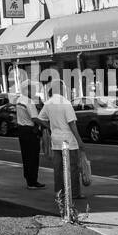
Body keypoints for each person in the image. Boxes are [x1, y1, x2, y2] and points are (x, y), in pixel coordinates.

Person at [36, 84, 82, 214]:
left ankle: (59, 193)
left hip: (56, 140)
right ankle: (74, 193)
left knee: (58, 168)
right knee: (72, 167)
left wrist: (50, 127)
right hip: (69, 140)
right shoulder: (66, 103)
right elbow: (72, 123)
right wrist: (79, 140)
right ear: (60, 90)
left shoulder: (48, 103)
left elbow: (39, 119)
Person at [13, 80, 44, 190]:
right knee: (33, 157)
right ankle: (33, 181)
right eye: (32, 88)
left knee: (26, 156)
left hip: (22, 130)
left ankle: (29, 180)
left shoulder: (19, 100)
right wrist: (48, 126)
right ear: (27, 90)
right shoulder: (29, 102)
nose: (35, 90)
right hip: (31, 132)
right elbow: (35, 118)